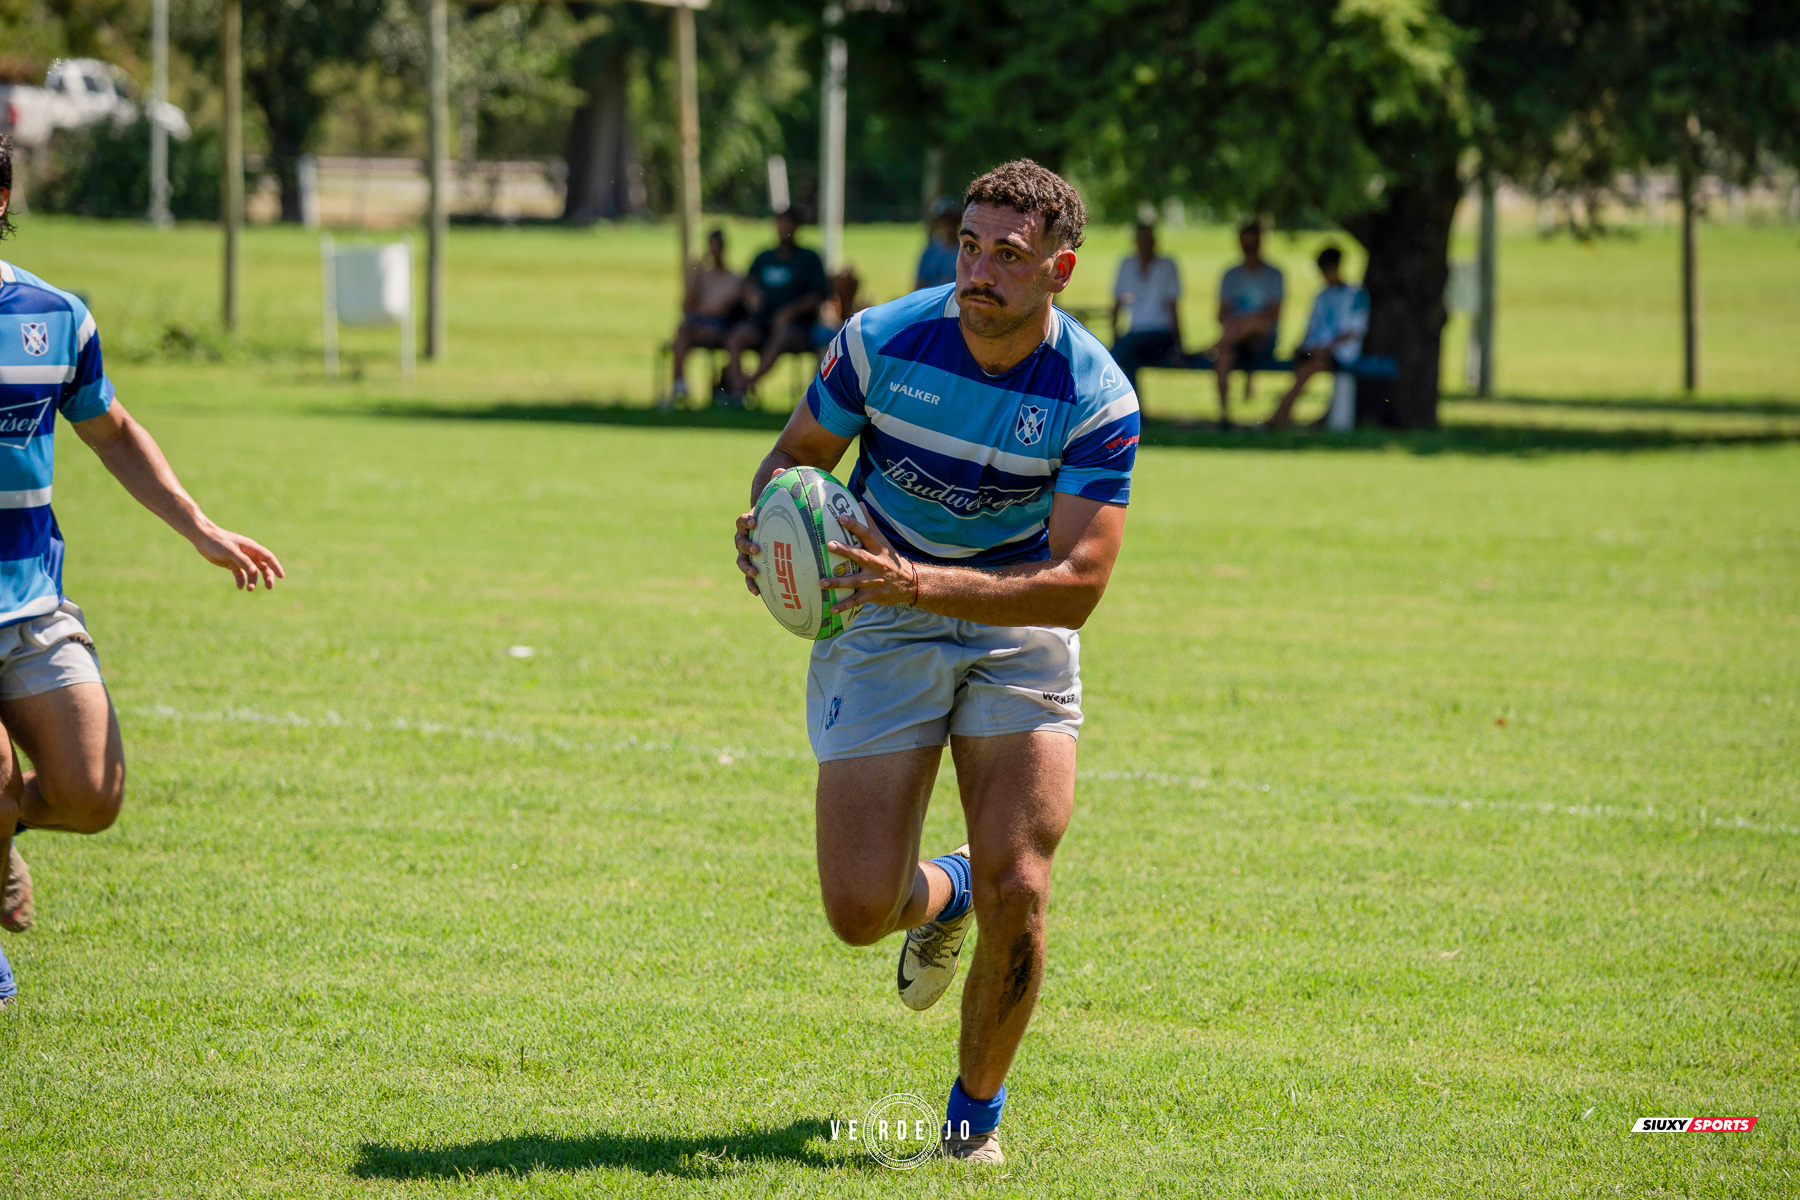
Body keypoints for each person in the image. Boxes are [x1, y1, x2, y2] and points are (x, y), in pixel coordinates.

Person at [732, 160, 1138, 1165]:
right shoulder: (878, 342)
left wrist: (931, 584)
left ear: (1060, 269)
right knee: (860, 911)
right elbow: (793, 461)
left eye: (1009, 255)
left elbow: (1078, 583)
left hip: (1016, 617)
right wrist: (774, 530)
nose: (980, 272)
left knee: (1024, 889)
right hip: (879, 610)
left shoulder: (1095, 395)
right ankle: (946, 891)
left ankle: (971, 1130)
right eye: (969, 246)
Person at [0, 136, 285, 996]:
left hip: (28, 601)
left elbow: (112, 431)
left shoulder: (53, 318)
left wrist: (197, 525)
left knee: (93, 793)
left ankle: (5, 829)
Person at [723, 211, 829, 401]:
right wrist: (751, 294)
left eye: (788, 225)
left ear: (797, 228)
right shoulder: (764, 257)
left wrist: (790, 311)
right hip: (761, 321)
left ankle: (745, 385)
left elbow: (818, 295)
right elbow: (745, 284)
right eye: (780, 225)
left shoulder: (809, 259)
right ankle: (737, 391)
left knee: (781, 335)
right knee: (736, 336)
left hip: (797, 327)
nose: (783, 230)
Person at [1264, 245, 1369, 430]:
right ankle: (1284, 413)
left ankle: (1280, 415)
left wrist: (1326, 347)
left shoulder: (1355, 294)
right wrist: (1303, 345)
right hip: (1316, 349)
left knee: (1308, 368)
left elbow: (1354, 330)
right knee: (1301, 364)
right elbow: (1312, 328)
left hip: (1342, 353)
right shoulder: (1321, 295)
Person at [1209, 222, 1284, 428]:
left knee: (1255, 324)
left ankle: (1210, 347)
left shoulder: (1273, 275)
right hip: (1235, 339)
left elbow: (1272, 315)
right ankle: (1224, 416)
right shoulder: (1231, 275)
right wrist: (1236, 324)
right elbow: (1221, 314)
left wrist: (1243, 323)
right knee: (1224, 356)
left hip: (1263, 340)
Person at [669, 229, 742, 406]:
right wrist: (696, 274)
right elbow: (686, 306)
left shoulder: (734, 278)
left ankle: (729, 390)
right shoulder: (703, 277)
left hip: (720, 326)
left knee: (693, 330)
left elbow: (723, 310)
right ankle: (679, 385)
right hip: (696, 323)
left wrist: (701, 310)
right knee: (682, 331)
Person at [1109, 222, 1183, 389]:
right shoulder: (1126, 265)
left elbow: (1173, 307)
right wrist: (1115, 334)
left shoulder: (1167, 266)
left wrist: (1178, 344)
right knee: (1128, 355)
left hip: (1160, 333)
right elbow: (1117, 304)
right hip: (1135, 334)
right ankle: (1134, 407)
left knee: (1122, 351)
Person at [914, 199, 960, 290]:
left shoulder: (965, 251)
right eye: (944, 218)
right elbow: (920, 284)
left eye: (951, 218)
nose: (948, 222)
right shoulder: (931, 251)